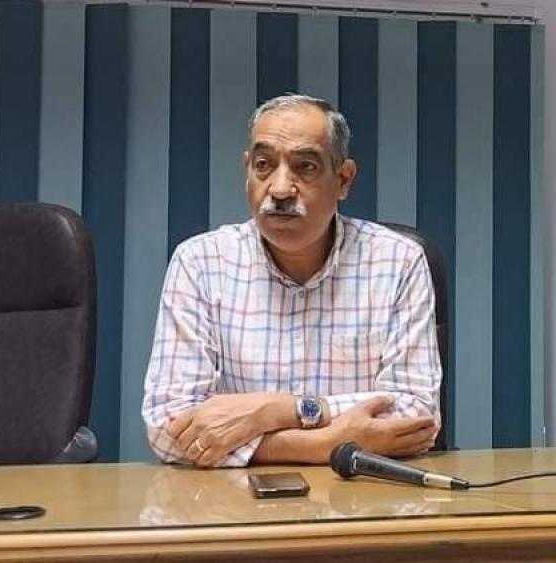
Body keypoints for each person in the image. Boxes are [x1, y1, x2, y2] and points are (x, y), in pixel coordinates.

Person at [142, 94, 441, 468]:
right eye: (264, 165)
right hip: (232, 500)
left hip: (362, 496)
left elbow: (415, 415)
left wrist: (269, 412)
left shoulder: (397, 261)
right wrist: (328, 442)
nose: (280, 189)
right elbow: (167, 428)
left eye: (306, 167)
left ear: (343, 179)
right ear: (247, 171)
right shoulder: (200, 263)